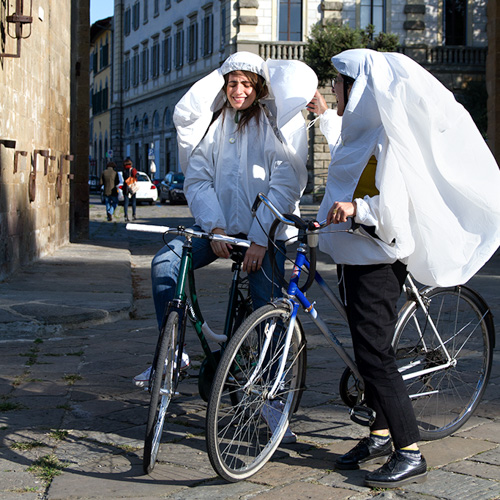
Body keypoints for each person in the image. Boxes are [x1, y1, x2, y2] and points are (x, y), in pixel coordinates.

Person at [307, 49, 500, 488]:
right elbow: (345, 156)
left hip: (376, 255)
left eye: (337, 81)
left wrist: (357, 207)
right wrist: (324, 116)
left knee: (376, 355)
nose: (332, 87)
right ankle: (379, 432)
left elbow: (394, 204)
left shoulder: (389, 137)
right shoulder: (363, 130)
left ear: (357, 88)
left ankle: (409, 450)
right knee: (364, 349)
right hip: (352, 252)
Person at [133, 51, 317, 443]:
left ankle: (270, 401)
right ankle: (173, 350)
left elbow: (285, 183)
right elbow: (197, 179)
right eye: (232, 83)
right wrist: (214, 226)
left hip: (263, 237)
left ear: (259, 88)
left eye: (247, 84)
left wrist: (258, 236)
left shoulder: (274, 124)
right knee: (166, 261)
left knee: (268, 310)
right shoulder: (214, 124)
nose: (238, 90)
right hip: (219, 232)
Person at [123, 158, 137, 222]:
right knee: (133, 202)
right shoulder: (133, 170)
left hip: (126, 188)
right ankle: (134, 215)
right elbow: (135, 177)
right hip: (132, 187)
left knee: (126, 203)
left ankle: (126, 216)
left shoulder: (124, 170)